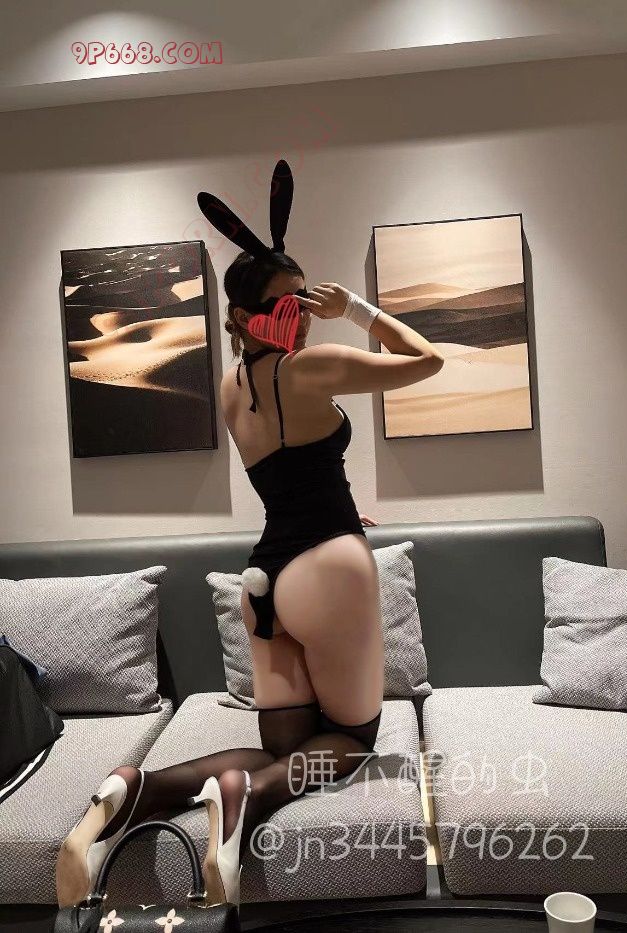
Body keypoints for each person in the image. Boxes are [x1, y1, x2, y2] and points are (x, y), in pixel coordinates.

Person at [55, 162, 444, 909]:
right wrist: (358, 309)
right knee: (352, 741)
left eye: (309, 299)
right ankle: (246, 799)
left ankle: (139, 788)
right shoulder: (312, 367)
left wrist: (337, 507)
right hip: (328, 569)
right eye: (295, 301)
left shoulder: (232, 387)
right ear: (258, 312)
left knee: (282, 746)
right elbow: (426, 359)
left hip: (264, 577)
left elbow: (290, 478)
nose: (306, 312)